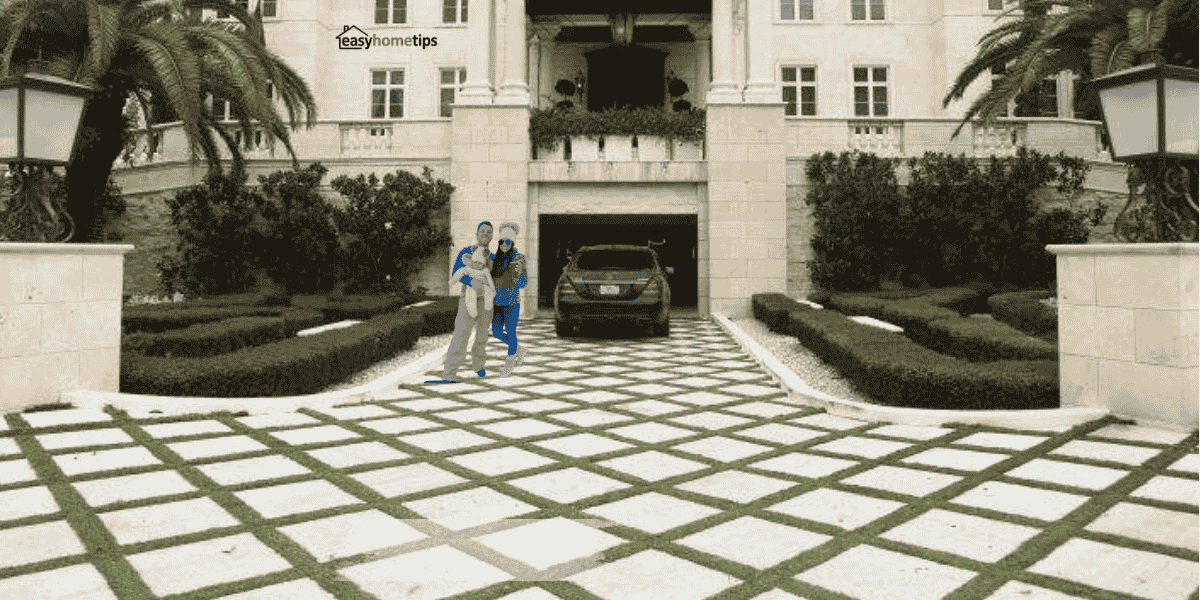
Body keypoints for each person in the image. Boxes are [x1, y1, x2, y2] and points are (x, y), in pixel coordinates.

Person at [426, 221, 494, 383]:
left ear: (492, 236)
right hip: (468, 299)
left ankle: (478, 365)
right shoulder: (466, 252)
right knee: (461, 334)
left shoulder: (492, 257)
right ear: (477, 234)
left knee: (482, 335)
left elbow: (495, 280)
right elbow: (457, 272)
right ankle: (449, 372)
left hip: (485, 301)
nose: (485, 234)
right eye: (483, 231)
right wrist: (472, 282)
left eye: (489, 232)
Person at [491, 222, 528, 376]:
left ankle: (509, 363)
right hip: (496, 301)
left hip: (512, 301)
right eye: (501, 241)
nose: (504, 244)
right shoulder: (495, 259)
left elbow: (523, 283)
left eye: (507, 241)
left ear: (512, 242)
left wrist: (518, 275)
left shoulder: (519, 259)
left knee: (511, 332)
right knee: (496, 332)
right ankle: (519, 349)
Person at [448, 245, 495, 318]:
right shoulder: (469, 269)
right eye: (475, 262)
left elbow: (489, 280)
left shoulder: (485, 270)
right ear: (472, 262)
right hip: (471, 286)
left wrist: (493, 289)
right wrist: (452, 281)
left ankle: (488, 307)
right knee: (470, 296)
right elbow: (460, 272)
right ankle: (473, 313)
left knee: (489, 292)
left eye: (480, 263)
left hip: (483, 284)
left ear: (484, 264)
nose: (477, 265)